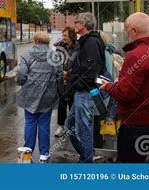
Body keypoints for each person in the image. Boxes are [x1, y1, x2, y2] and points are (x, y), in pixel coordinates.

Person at [100, 12, 149, 163]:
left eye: (126, 30)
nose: (126, 34)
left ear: (134, 31)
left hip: (136, 124)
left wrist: (108, 86)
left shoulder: (135, 55)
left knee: (128, 167)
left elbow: (124, 95)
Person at [17, 31, 63, 163]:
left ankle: (28, 151)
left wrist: (22, 82)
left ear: (36, 41)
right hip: (48, 96)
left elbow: (21, 76)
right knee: (44, 123)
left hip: (30, 95)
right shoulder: (54, 56)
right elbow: (59, 76)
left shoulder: (27, 55)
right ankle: (44, 153)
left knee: (30, 122)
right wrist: (60, 92)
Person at [65, 12, 105, 163]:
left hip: (85, 92)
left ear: (83, 25)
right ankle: (85, 156)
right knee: (70, 126)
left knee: (83, 130)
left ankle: (87, 161)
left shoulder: (91, 42)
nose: (74, 24)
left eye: (76, 22)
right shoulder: (86, 41)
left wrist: (76, 83)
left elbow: (90, 71)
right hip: (81, 91)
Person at [54, 26, 78, 138]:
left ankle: (73, 127)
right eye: (62, 35)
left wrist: (68, 73)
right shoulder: (59, 47)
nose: (63, 38)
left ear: (72, 36)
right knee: (62, 103)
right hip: (61, 80)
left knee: (73, 104)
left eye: (65, 35)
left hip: (73, 80)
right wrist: (59, 71)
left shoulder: (78, 48)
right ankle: (61, 126)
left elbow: (79, 65)